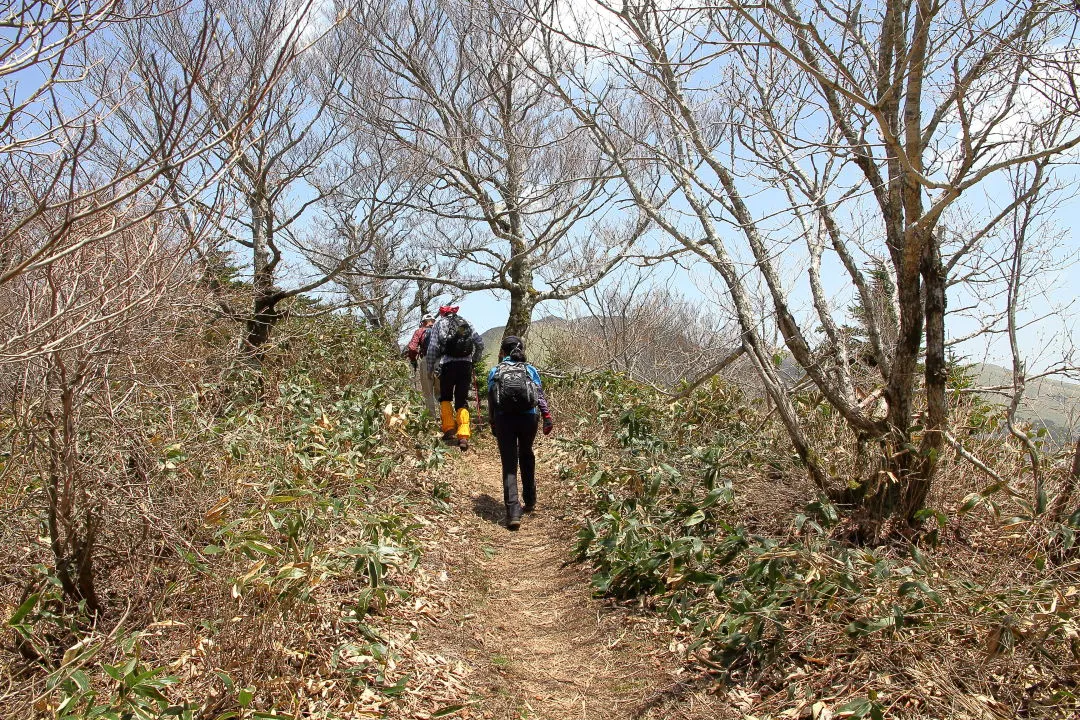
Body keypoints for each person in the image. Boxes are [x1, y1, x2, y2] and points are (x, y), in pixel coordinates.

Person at [487, 336, 553, 530]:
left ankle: (513, 513)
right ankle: (530, 500)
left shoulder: (496, 370)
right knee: (526, 453)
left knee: (509, 463)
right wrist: (547, 416)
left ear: (503, 352)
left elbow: (492, 398)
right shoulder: (529, 369)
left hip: (504, 419)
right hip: (528, 418)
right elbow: (538, 395)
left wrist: (492, 422)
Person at [424, 305, 485, 451]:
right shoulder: (466, 322)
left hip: (447, 365)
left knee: (445, 397)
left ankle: (449, 429)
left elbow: (432, 348)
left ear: (443, 313)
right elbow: (480, 343)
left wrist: (430, 368)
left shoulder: (439, 324)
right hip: (465, 365)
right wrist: (474, 359)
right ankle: (463, 435)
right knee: (462, 399)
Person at [406, 314, 438, 415]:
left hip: (426, 361)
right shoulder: (441, 330)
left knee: (428, 393)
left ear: (423, 322)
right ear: (433, 321)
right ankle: (447, 420)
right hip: (441, 362)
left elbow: (412, 347)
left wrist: (413, 359)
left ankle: (432, 420)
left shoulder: (419, 331)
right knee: (442, 393)